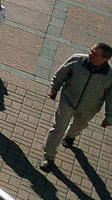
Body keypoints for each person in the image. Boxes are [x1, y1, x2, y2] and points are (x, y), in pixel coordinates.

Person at [41, 42, 112, 172]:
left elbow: (111, 98)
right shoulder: (77, 60)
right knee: (58, 128)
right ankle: (48, 157)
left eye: (95, 54)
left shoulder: (110, 75)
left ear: (105, 59)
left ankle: (70, 136)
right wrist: (54, 89)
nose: (90, 54)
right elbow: (60, 74)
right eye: (91, 50)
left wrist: (109, 117)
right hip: (67, 101)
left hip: (88, 109)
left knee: (78, 126)